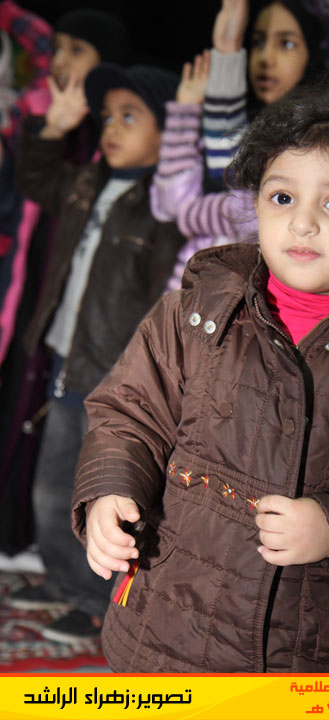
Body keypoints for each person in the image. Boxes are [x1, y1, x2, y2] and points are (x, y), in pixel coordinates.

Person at [72, 84, 329, 673]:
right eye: (282, 197)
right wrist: (111, 488)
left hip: (300, 648)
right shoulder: (194, 312)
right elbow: (128, 414)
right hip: (162, 623)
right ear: (256, 206)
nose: (302, 223)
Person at [4, 61, 186, 645]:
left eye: (130, 117)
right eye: (108, 117)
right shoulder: (88, 182)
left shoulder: (161, 206)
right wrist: (52, 129)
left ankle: (92, 600)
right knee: (52, 484)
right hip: (67, 360)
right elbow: (35, 179)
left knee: (98, 490)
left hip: (114, 375)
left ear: (168, 131)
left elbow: (162, 301)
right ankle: (62, 580)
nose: (111, 128)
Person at [0, 9, 131, 555]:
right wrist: (51, 128)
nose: (61, 60)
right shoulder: (44, 118)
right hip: (36, 292)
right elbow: (26, 187)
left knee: (59, 440)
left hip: (85, 326)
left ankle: (47, 552)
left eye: (78, 50)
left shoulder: (114, 146)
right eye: (58, 48)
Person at [151, 0, 327, 292]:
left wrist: (194, 212)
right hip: (189, 303)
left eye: (286, 44)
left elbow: (253, 219)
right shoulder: (246, 133)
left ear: (316, 51)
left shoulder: (320, 147)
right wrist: (227, 47)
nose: (266, 58)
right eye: (258, 42)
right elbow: (173, 204)